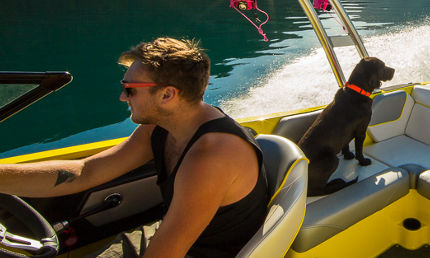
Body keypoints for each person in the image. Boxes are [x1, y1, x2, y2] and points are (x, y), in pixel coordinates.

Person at [0, 37, 268, 257]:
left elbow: (167, 253)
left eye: (129, 89)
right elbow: (85, 172)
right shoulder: (161, 126)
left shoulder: (211, 156)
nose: (121, 96)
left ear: (167, 94)